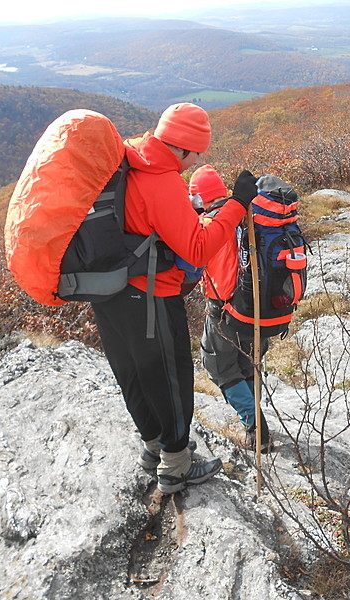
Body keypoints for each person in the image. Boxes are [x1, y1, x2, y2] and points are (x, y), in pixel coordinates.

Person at [90, 104, 257, 494]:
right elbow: (198, 249)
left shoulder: (129, 158)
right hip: (149, 297)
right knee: (171, 380)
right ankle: (177, 466)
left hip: (108, 291)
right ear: (182, 147)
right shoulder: (161, 181)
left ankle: (154, 448)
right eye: (196, 152)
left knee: (132, 373)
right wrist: (236, 205)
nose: (197, 160)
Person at [190, 165, 273, 452]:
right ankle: (256, 429)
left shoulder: (209, 224)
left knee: (220, 368)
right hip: (258, 307)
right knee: (247, 365)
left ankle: (255, 426)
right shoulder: (248, 216)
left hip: (224, 309)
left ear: (201, 198)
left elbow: (193, 266)